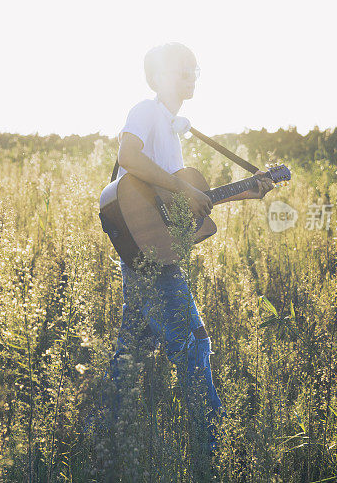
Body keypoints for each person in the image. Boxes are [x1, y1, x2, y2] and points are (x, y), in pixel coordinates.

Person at [107, 42, 275, 460]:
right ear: (162, 75)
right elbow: (128, 157)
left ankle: (103, 436)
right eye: (185, 70)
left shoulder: (170, 127)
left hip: (152, 252)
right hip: (157, 261)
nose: (192, 77)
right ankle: (216, 452)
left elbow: (178, 203)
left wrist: (247, 193)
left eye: (195, 70)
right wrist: (182, 185)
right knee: (197, 344)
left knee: (131, 353)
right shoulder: (146, 112)